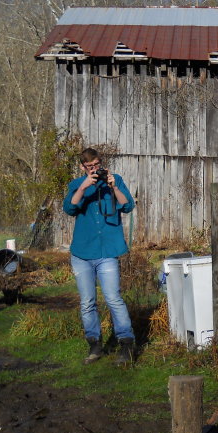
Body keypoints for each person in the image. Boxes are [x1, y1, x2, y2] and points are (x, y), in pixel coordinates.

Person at [63, 148, 136, 366]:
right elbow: (69, 208)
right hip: (82, 253)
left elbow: (128, 205)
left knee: (113, 298)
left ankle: (126, 343)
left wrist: (113, 187)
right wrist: (84, 186)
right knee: (87, 302)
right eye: (90, 167)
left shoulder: (114, 180)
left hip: (107, 252)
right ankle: (94, 345)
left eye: (97, 165)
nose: (94, 169)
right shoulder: (76, 184)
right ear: (82, 167)